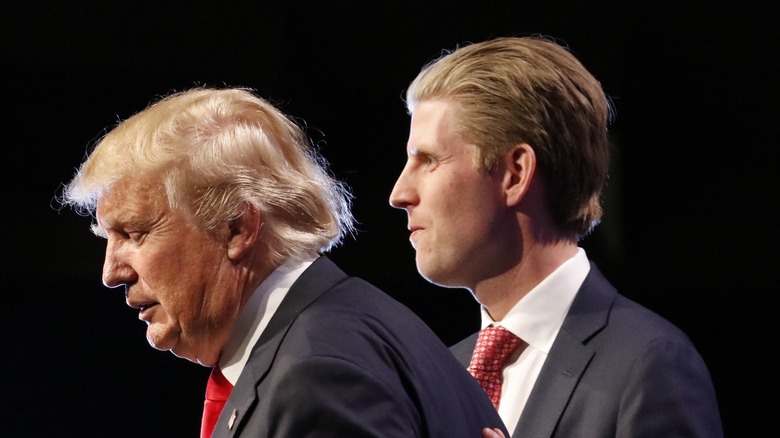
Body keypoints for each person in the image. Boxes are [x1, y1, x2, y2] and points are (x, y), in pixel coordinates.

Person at [59, 87, 508, 437]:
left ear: (236, 228)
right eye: (107, 237)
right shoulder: (334, 332)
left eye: (133, 234)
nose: (111, 272)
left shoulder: (316, 374)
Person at [389, 36, 723, 437]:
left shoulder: (649, 362)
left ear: (514, 173)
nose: (399, 194)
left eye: (428, 160)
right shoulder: (444, 373)